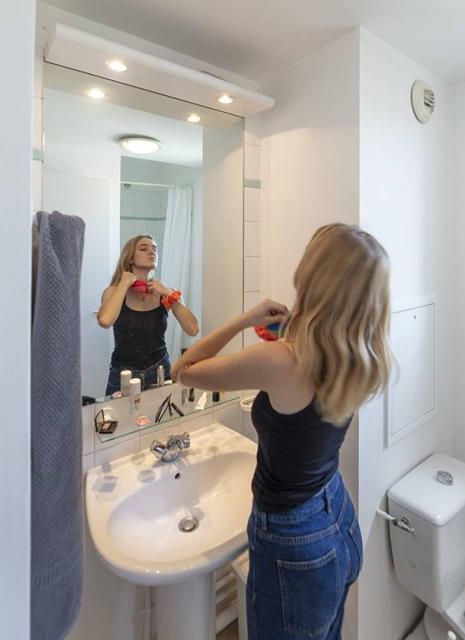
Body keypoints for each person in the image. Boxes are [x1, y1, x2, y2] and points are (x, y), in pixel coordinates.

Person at [171, 224, 391, 640]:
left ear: (313, 275)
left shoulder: (281, 361)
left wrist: (247, 319)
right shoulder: (362, 353)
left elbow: (183, 370)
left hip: (294, 542)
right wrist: (292, 330)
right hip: (340, 520)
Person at [98, 234, 199, 395]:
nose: (152, 252)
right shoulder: (113, 292)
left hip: (160, 371)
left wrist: (168, 293)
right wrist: (124, 284)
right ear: (130, 258)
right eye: (143, 248)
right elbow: (105, 320)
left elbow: (193, 329)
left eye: (154, 249)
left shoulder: (168, 294)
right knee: (116, 412)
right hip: (122, 374)